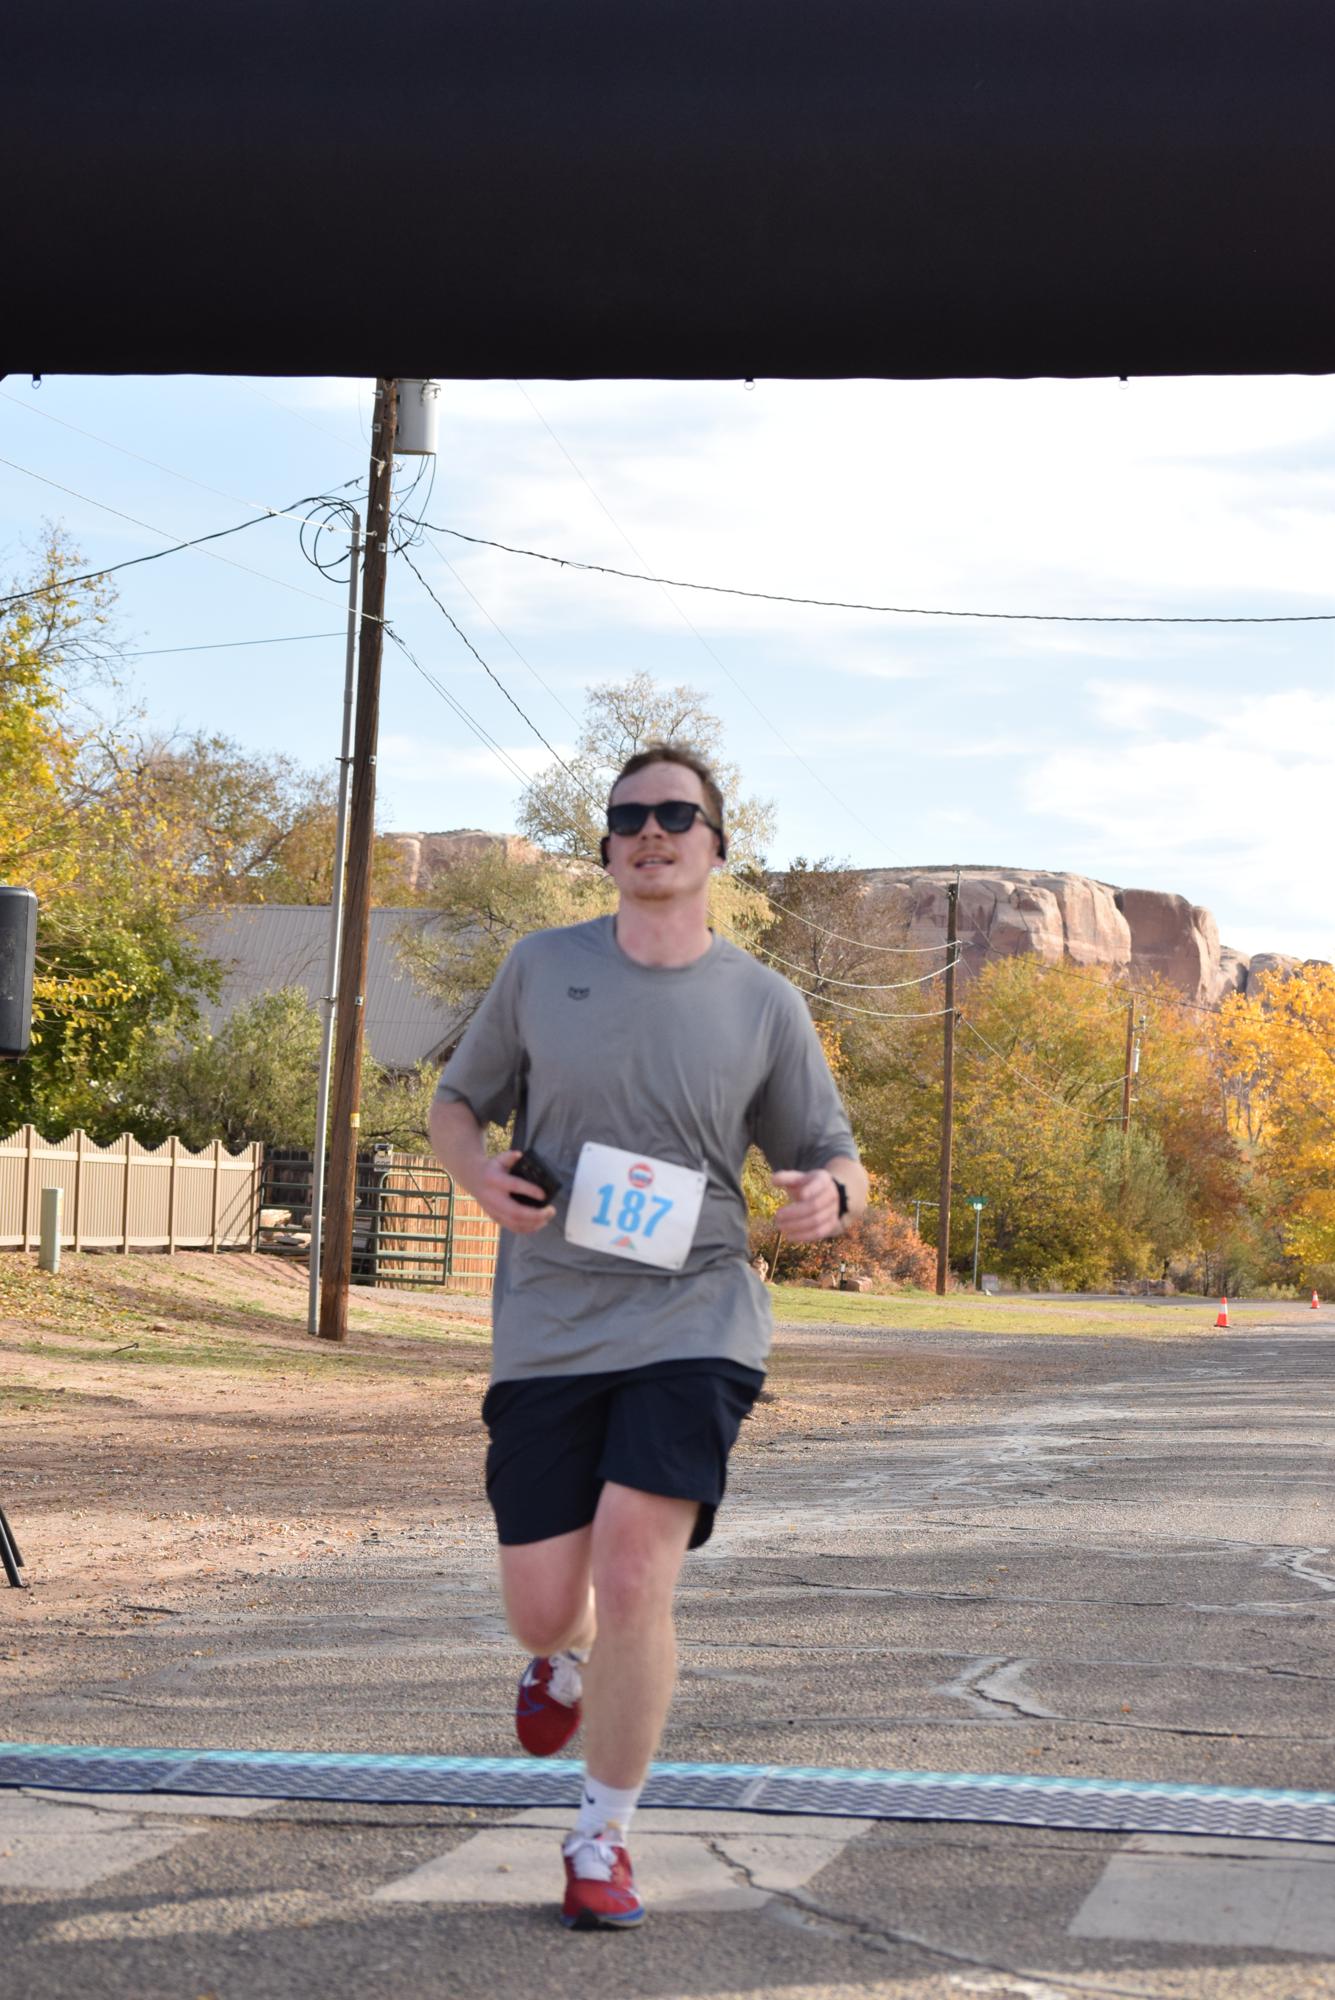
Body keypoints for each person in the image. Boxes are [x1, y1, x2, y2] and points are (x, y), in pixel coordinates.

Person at [429, 742, 866, 1930]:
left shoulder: (762, 1000)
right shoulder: (542, 966)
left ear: (718, 843)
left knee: (635, 1568)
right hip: (552, 1319)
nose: (652, 832)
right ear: (608, 845)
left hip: (697, 1310)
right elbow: (455, 1101)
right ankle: (556, 1653)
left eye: (677, 813)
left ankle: (601, 1835)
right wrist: (477, 1174)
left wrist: (833, 1193)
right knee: (542, 1601)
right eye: (629, 817)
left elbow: (832, 1150)